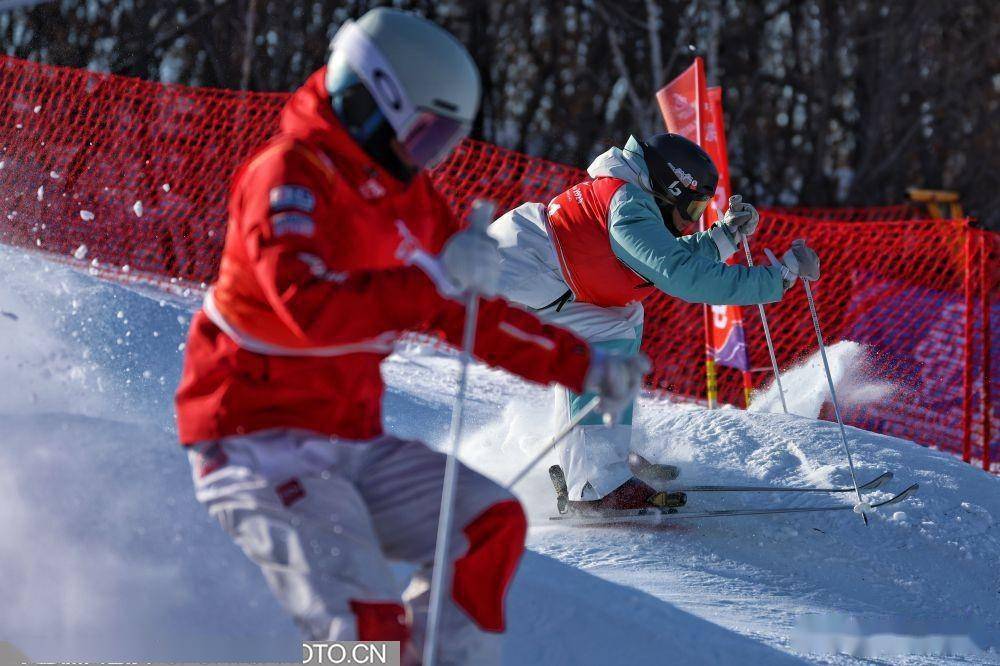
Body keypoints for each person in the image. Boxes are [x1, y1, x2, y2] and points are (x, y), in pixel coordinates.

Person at [173, 8, 647, 664]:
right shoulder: (288, 177)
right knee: (365, 634)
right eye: (425, 134)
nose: (428, 156)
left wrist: (580, 365)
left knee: (488, 527)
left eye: (442, 141)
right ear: (375, 102)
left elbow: (468, 311)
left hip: (349, 438)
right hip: (257, 441)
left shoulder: (407, 196)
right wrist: (431, 283)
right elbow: (308, 308)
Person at [488, 132, 821, 513]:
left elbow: (665, 255)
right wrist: (777, 279)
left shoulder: (633, 196)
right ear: (672, 188)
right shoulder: (627, 205)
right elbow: (679, 274)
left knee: (622, 318)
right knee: (610, 332)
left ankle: (604, 455)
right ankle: (595, 481)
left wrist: (725, 236)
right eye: (692, 208)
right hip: (514, 275)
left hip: (538, 275)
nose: (690, 221)